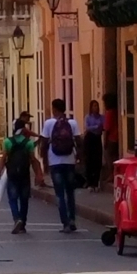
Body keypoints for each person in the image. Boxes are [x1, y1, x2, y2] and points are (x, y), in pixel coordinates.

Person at [40, 99, 82, 233]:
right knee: (70, 193)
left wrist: (45, 163)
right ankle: (72, 220)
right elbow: (79, 142)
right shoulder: (72, 123)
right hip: (69, 162)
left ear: (54, 109)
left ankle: (65, 223)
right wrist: (79, 157)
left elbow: (44, 145)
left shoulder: (48, 123)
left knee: (59, 194)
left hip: (55, 162)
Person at [0, 118, 44, 234]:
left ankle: (16, 218)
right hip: (24, 174)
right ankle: (23, 224)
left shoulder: (8, 142)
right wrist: (38, 174)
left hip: (12, 174)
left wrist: (0, 169)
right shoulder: (28, 143)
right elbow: (33, 160)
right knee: (24, 199)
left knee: (12, 198)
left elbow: (4, 157)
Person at [83, 100, 104, 192]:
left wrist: (94, 128)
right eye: (94, 106)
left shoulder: (101, 117)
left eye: (97, 106)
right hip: (89, 139)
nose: (96, 108)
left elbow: (102, 127)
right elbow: (87, 127)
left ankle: (96, 182)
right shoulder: (88, 117)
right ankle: (89, 182)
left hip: (97, 138)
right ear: (91, 108)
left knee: (98, 161)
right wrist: (96, 127)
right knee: (89, 160)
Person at [102, 93, 119, 183]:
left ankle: (111, 174)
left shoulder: (109, 113)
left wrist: (105, 141)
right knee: (115, 157)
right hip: (117, 137)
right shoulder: (116, 111)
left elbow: (107, 129)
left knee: (109, 157)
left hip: (111, 138)